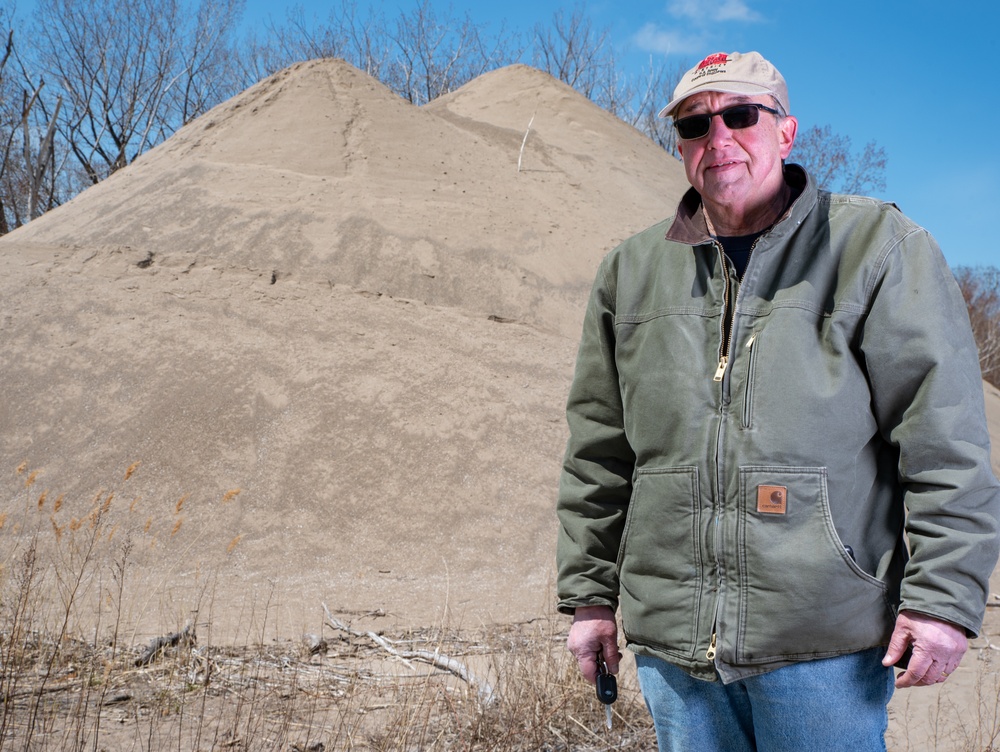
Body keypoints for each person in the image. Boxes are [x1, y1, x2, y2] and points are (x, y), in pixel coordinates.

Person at [555, 50, 1000, 751]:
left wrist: (943, 601)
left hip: (821, 646)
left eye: (740, 116)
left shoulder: (876, 249)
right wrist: (589, 598)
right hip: (676, 652)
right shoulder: (630, 273)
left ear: (786, 133)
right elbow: (598, 453)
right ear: (681, 146)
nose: (718, 139)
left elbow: (944, 441)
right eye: (696, 125)